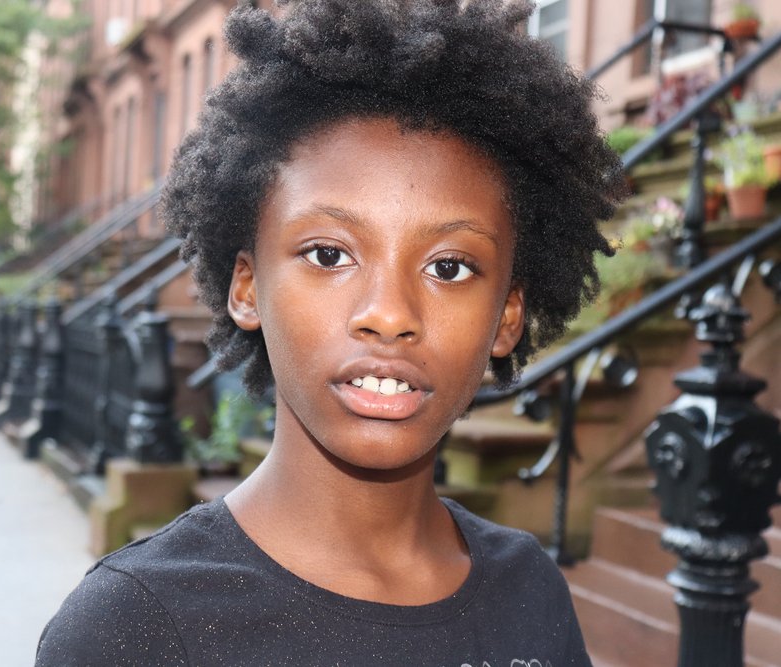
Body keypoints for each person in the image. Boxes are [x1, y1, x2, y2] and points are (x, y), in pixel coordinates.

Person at [36, 0, 623, 664]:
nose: (389, 313)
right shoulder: (135, 626)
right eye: (328, 254)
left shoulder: (530, 592)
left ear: (507, 317)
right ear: (247, 288)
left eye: (449, 267)